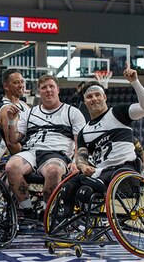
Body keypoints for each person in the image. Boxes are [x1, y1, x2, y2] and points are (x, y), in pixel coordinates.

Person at [61, 68, 144, 216]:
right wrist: (83, 166)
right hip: (100, 172)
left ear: (105, 97)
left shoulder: (118, 113)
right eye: (90, 96)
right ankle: (66, 221)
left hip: (123, 170)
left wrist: (135, 82)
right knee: (68, 187)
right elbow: (81, 156)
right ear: (85, 102)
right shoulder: (84, 131)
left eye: (97, 95)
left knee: (85, 191)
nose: (94, 98)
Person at [5, 74, 86, 218]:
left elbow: (80, 142)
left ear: (58, 90)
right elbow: (13, 140)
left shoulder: (72, 112)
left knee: (53, 170)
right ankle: (27, 210)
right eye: (44, 87)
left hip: (57, 153)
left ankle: (46, 211)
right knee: (11, 166)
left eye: (51, 86)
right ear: (39, 91)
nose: (48, 90)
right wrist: (11, 121)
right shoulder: (29, 113)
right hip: (31, 152)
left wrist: (76, 162)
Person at [0, 68, 30, 155]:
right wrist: (28, 157)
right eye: (16, 82)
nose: (21, 85)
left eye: (22, 81)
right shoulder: (6, 109)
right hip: (25, 155)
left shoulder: (23, 104)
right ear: (6, 86)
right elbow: (12, 144)